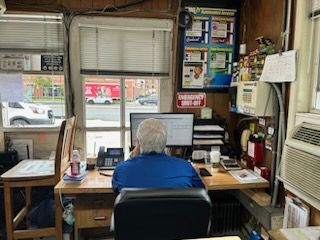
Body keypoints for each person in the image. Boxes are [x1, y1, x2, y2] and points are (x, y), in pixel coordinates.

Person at [112, 118, 205, 193]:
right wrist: (196, 173)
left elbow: (117, 193)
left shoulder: (121, 170)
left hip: (137, 216)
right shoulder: (186, 167)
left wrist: (133, 155)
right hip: (174, 216)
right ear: (165, 142)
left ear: (138, 142)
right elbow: (203, 194)